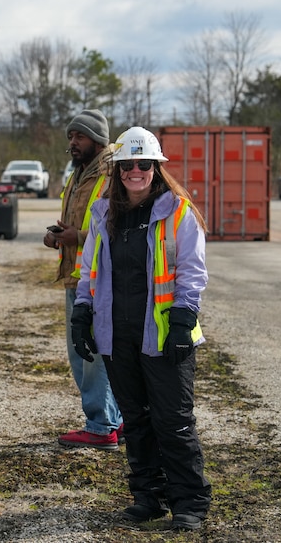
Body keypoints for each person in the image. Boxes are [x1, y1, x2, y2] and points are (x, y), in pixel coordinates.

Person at [72, 126, 212, 531]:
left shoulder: (178, 211)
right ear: (116, 170)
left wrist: (184, 321)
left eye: (144, 164)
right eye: (128, 165)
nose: (136, 171)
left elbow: (192, 273)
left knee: (174, 421)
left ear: (155, 167)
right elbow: (89, 271)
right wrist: (82, 314)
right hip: (118, 337)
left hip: (166, 336)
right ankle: (147, 497)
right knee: (135, 420)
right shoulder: (102, 214)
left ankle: (190, 502)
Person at [43, 109, 123, 450]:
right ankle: (113, 421)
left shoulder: (110, 173)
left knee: (89, 353)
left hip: (97, 279)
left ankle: (101, 425)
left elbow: (119, 227)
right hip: (78, 275)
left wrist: (77, 237)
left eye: (80, 136)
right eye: (71, 137)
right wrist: (59, 236)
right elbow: (78, 219)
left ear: (98, 139)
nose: (73, 142)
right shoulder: (81, 172)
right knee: (89, 351)